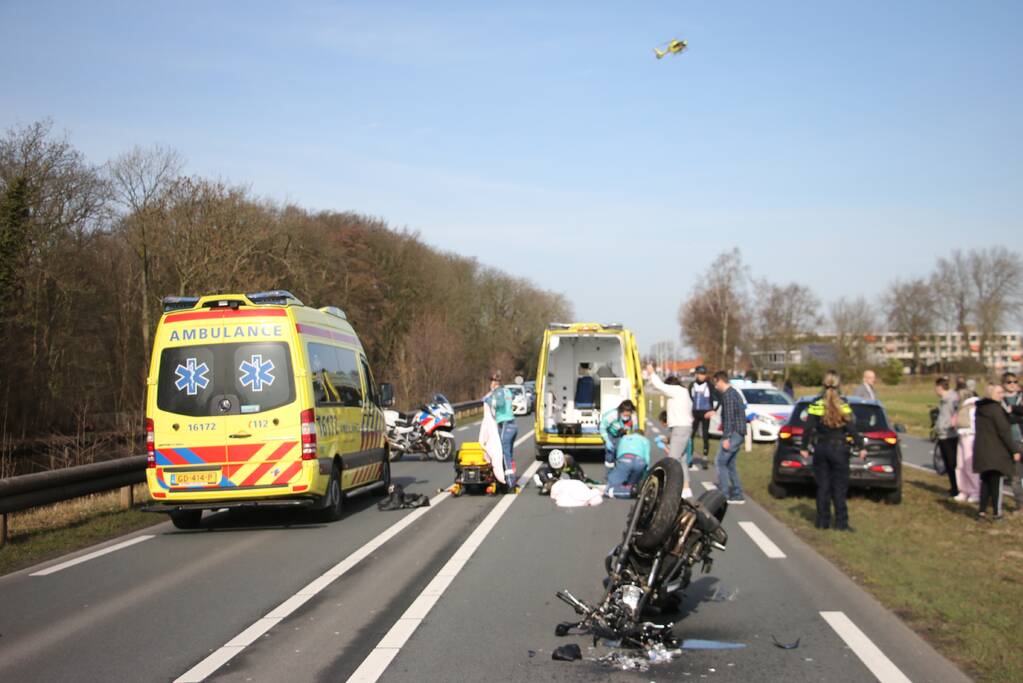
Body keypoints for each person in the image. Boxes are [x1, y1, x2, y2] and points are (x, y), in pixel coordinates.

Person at [800, 371, 866, 531]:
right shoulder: (842, 404)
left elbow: (808, 427)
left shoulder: (816, 403)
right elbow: (851, 427)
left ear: (823, 384)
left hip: (821, 448)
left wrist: (804, 447)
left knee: (823, 486)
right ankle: (841, 523)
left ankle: (822, 522)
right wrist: (861, 446)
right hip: (839, 449)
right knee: (839, 487)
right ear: (839, 385)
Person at [972, 382, 1023, 521]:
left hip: (982, 449)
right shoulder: (995, 409)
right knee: (996, 484)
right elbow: (1004, 432)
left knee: (986, 482)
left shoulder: (981, 408)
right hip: (995, 451)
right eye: (999, 393)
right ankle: (997, 513)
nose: (1002, 395)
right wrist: (1014, 449)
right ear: (991, 394)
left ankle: (981, 512)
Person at [646, 364, 694, 493]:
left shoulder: (677, 391)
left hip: (680, 428)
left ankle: (672, 489)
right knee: (682, 460)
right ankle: (686, 489)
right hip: (683, 428)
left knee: (672, 460)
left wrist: (651, 373)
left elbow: (660, 386)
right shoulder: (683, 394)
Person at [710, 371, 746, 503]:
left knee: (720, 462)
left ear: (720, 380)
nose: (715, 387)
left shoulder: (728, 395)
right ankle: (737, 493)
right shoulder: (733, 393)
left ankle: (724, 494)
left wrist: (726, 437)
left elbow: (730, 418)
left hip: (734, 433)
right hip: (739, 432)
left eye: (715, 383)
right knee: (730, 464)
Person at [484, 373, 518, 493]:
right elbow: (510, 399)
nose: (491, 384)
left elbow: (500, 404)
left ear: (496, 383)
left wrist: (488, 400)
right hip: (513, 425)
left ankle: (510, 483)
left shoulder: (498, 392)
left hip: (505, 425)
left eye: (492, 382)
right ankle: (511, 477)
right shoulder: (507, 391)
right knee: (509, 453)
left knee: (504, 453)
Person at [605, 429, 651, 498]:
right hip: (640, 462)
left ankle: (616, 491)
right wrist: (644, 474)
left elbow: (615, 451)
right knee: (632, 484)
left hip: (625, 459)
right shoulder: (645, 440)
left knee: (610, 488)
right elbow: (647, 459)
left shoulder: (624, 438)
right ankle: (634, 489)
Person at [1000, 372, 1023, 510]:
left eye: (1015, 381)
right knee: (1015, 475)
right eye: (1009, 382)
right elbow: (1002, 420)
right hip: (1010, 442)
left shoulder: (1021, 397)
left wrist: (1013, 410)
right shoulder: (1000, 400)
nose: (1013, 384)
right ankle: (1020, 503)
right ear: (1003, 384)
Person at [934, 376, 960, 498]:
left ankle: (957, 488)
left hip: (950, 435)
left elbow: (954, 416)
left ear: (940, 387)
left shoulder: (951, 399)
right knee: (947, 463)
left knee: (952, 463)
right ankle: (953, 487)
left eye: (936, 387)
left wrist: (946, 427)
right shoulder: (944, 400)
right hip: (943, 435)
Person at [954, 393, 981, 504]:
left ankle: (975, 491)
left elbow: (976, 424)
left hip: (970, 437)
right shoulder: (964, 407)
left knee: (969, 465)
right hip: (962, 436)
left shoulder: (974, 407)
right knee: (960, 465)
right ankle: (963, 490)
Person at [689, 365, 716, 469]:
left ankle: (704, 458)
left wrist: (713, 410)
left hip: (705, 414)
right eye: (700, 374)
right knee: (691, 436)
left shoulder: (709, 385)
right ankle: (690, 458)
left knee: (705, 435)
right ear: (696, 374)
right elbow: (690, 398)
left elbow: (718, 398)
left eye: (703, 374)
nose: (701, 376)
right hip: (695, 413)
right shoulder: (692, 385)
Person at [599, 399, 638, 469]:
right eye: (624, 412)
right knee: (610, 451)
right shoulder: (613, 414)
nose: (626, 414)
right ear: (621, 410)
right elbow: (602, 427)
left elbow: (635, 429)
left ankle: (618, 469)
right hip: (609, 432)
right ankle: (609, 470)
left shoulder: (633, 415)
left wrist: (634, 439)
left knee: (620, 450)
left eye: (628, 412)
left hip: (621, 433)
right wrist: (607, 440)